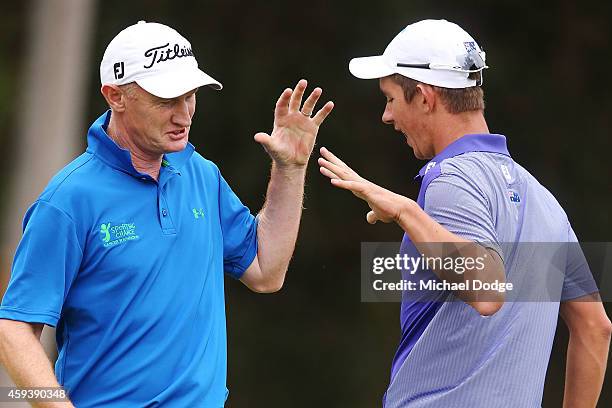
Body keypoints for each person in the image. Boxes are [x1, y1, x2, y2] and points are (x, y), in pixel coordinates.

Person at [0, 21, 333, 407]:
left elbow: (266, 270)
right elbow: (14, 330)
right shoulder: (68, 200)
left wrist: (290, 170)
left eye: (190, 96)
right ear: (115, 96)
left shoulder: (202, 175)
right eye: (166, 100)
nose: (183, 114)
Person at [318, 19, 611, 407]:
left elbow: (487, 290)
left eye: (390, 99)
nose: (386, 116)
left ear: (424, 97)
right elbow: (594, 327)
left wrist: (406, 210)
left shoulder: (449, 179)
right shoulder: (544, 199)